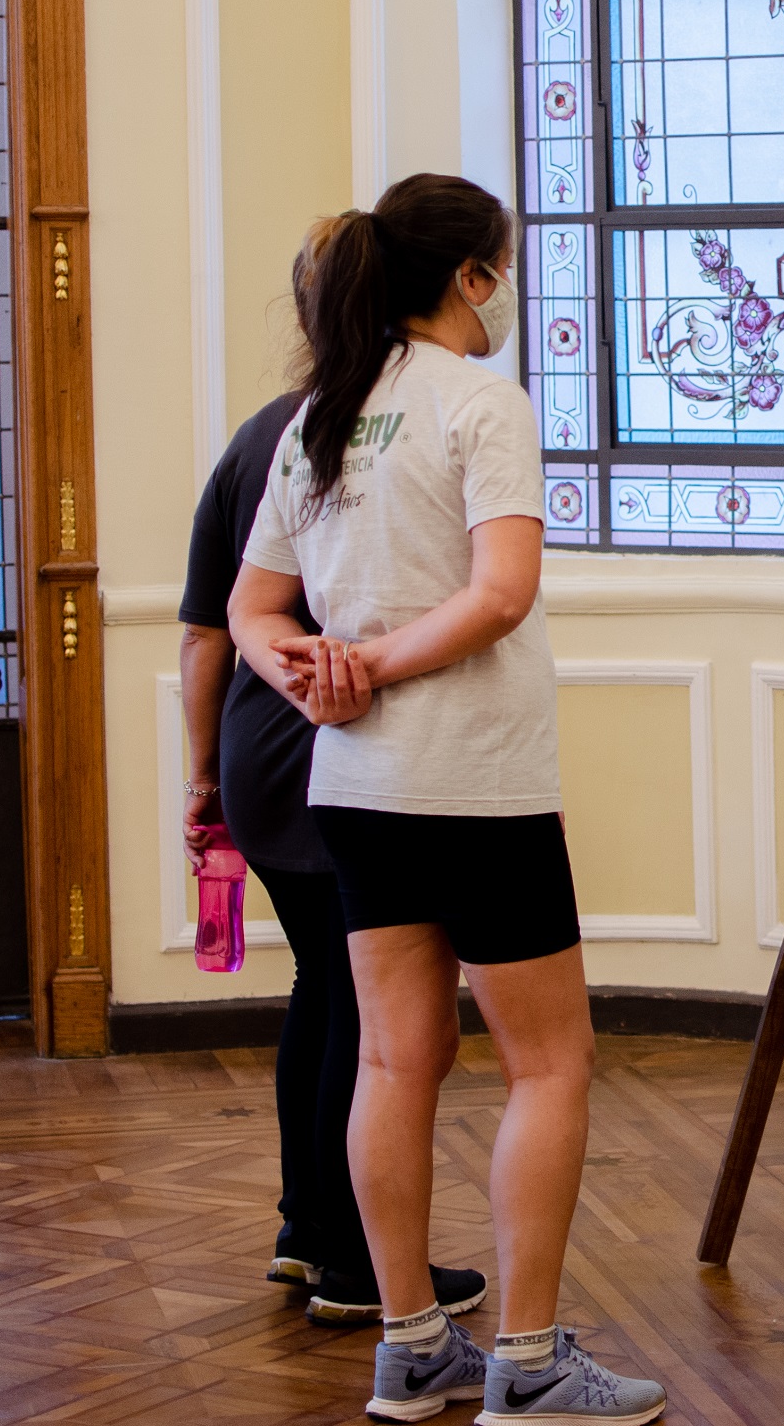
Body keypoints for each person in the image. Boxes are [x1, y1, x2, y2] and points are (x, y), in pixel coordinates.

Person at [229, 174, 666, 1426]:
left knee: (391, 1059)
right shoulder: (481, 402)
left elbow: (254, 612)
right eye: (501, 268)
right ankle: (526, 1363)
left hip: (357, 787)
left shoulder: (321, 416)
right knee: (551, 1066)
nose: (505, 290)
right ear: (470, 275)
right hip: (475, 783)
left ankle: (414, 1350)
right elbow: (501, 593)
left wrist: (316, 673)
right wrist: (363, 668)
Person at [179, 385, 487, 1327]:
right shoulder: (411, 421)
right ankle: (357, 1264)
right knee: (369, 1010)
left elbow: (204, 631)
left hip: (255, 755)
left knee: (323, 985)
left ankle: (307, 1231)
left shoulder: (259, 434)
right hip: (347, 744)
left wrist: (205, 779)